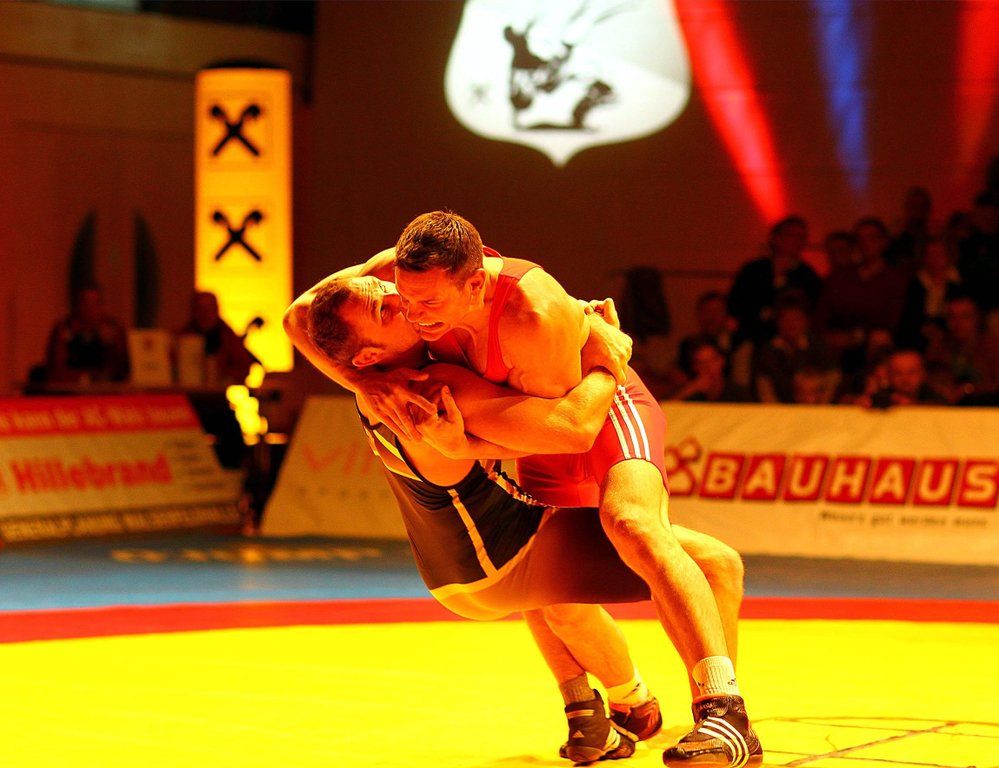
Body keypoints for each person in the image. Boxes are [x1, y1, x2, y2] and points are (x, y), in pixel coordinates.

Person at [290, 211, 762, 767]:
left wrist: (604, 365)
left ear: (474, 284)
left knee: (632, 524)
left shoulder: (530, 312)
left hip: (593, 411)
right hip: (548, 427)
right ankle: (625, 707)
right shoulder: (410, 336)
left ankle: (717, 711)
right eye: (401, 300)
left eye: (422, 303)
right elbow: (299, 315)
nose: (410, 309)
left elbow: (576, 428)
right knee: (568, 598)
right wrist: (368, 383)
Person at [727, 215, 823, 346]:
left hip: (792, 345)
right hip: (752, 340)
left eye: (801, 237)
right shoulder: (753, 270)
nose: (796, 241)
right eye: (791, 235)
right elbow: (735, 304)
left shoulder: (808, 276)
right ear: (775, 238)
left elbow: (815, 310)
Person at [45, 284, 129, 384]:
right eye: (85, 303)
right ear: (77, 305)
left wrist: (110, 344)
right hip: (71, 388)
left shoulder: (113, 328)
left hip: (106, 389)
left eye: (96, 303)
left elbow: (122, 370)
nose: (91, 309)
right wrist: (85, 378)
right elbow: (56, 370)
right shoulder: (64, 328)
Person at [179, 291, 257, 384]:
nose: (205, 313)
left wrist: (224, 374)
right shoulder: (183, 337)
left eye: (209, 309)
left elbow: (243, 366)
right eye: (201, 308)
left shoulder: (228, 337)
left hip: (217, 390)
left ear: (217, 310)